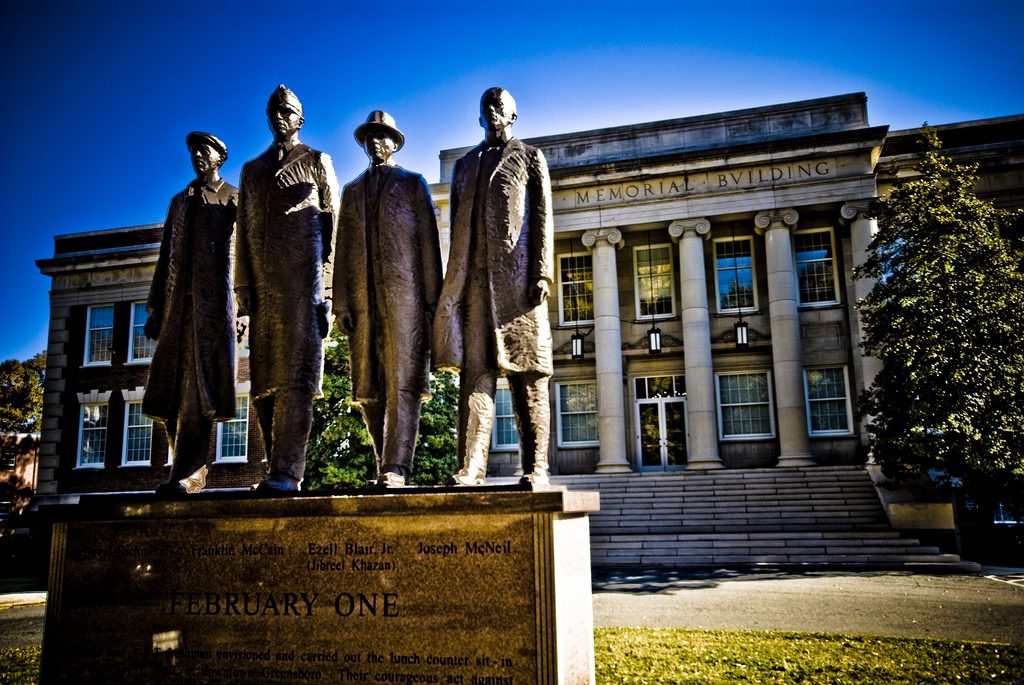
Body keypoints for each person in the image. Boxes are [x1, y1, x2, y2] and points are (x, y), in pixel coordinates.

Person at [432, 88, 554, 486]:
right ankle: (471, 468)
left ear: (513, 116)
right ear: (480, 116)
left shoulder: (529, 157)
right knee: (475, 376)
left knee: (528, 376)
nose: (492, 110)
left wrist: (541, 272)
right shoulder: (465, 165)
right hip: (474, 286)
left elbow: (542, 216)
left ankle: (536, 467)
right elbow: (456, 229)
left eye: (500, 106)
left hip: (518, 284)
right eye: (487, 106)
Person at [234, 85, 339, 492]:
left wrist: (328, 292)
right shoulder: (252, 170)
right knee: (263, 383)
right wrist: (242, 286)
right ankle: (272, 466)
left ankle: (287, 471)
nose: (280, 117)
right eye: (274, 111)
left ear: (300, 119)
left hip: (304, 285)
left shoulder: (316, 160)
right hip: (263, 288)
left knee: (297, 377)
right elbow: (242, 231)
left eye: (288, 111)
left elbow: (334, 227)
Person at [334, 111, 443, 487]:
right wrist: (341, 303)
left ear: (394, 143)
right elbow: (343, 249)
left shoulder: (413, 183)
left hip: (406, 302)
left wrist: (432, 304)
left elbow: (429, 245)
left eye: (382, 137)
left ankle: (397, 466)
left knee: (403, 383)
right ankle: (385, 463)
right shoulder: (352, 191)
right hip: (363, 303)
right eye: (369, 137)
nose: (375, 143)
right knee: (368, 386)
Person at [143, 132, 238, 494]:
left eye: (205, 150)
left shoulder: (233, 197)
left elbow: (243, 255)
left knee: (201, 392)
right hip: (176, 310)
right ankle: (183, 467)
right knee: (166, 393)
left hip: (213, 309)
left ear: (220, 156)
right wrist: (155, 308)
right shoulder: (179, 201)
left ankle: (190, 471)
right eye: (194, 151)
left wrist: (243, 309)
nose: (198, 155)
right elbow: (165, 255)